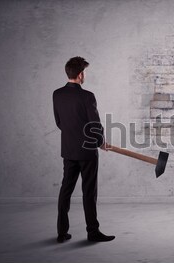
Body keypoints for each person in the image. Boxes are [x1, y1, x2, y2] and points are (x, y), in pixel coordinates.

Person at [52, 56, 115, 243]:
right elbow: (94, 124)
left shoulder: (57, 94)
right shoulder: (87, 96)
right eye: (84, 72)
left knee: (65, 191)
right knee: (89, 192)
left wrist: (74, 136)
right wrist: (100, 141)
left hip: (69, 150)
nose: (84, 75)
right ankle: (92, 232)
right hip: (87, 152)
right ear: (80, 75)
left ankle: (62, 233)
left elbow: (59, 122)